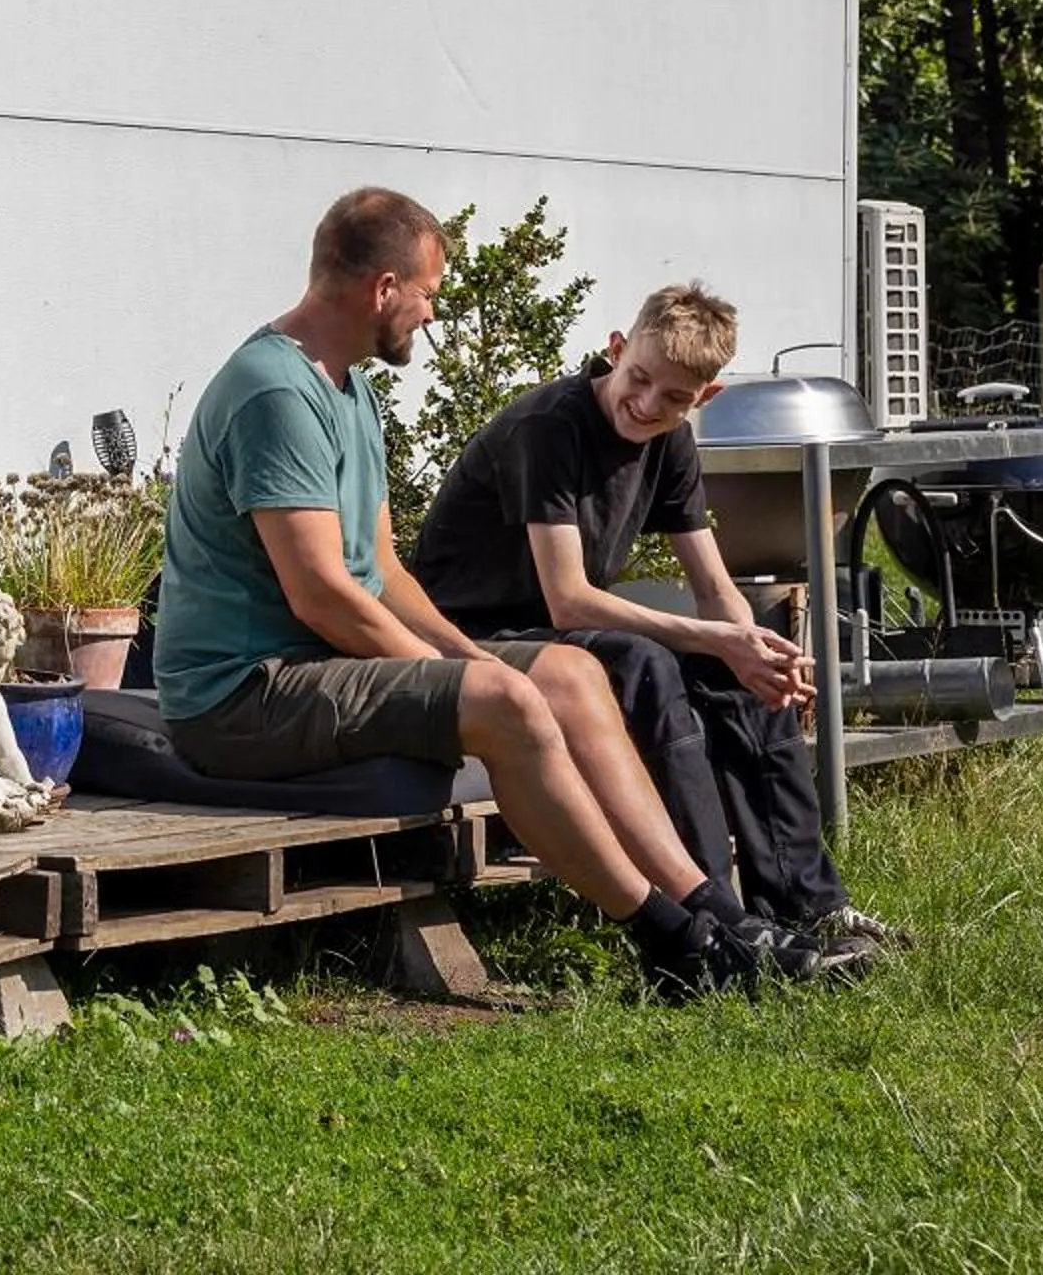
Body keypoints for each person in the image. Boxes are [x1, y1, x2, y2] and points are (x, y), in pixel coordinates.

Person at [153, 187, 805, 996]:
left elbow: (383, 570)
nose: (431, 314)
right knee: (508, 701)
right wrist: (466, 680)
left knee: (566, 672)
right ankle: (673, 942)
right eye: (428, 293)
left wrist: (459, 654)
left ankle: (712, 908)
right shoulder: (276, 394)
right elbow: (323, 594)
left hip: (312, 668)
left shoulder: (348, 390)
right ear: (383, 288)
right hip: (242, 695)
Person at [408, 280, 899, 963]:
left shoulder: (670, 443)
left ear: (706, 397)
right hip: (471, 638)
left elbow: (713, 586)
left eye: (673, 398)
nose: (647, 404)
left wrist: (755, 649)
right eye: (639, 379)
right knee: (648, 664)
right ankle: (716, 919)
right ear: (616, 349)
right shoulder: (549, 429)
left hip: (555, 638)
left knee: (746, 667)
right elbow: (568, 602)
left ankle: (803, 904)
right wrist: (720, 638)